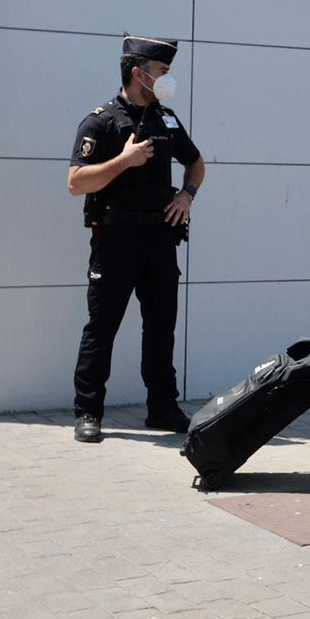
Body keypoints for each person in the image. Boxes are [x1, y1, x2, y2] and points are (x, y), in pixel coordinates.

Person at [67, 36, 205, 443]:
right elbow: (75, 183)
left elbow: (196, 163)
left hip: (160, 239)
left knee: (161, 326)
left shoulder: (168, 119)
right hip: (115, 240)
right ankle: (88, 412)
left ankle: (162, 408)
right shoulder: (101, 122)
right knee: (102, 326)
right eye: (162, 72)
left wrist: (187, 195)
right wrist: (123, 161)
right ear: (137, 73)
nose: (167, 78)